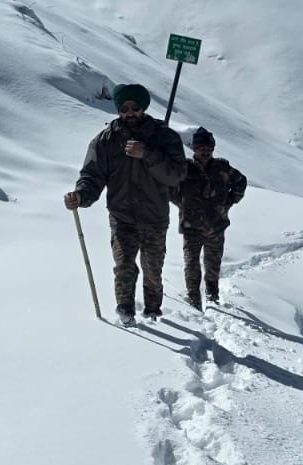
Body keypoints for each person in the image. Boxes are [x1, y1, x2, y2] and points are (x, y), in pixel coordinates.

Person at [64, 84, 185, 323]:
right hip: (122, 216)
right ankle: (126, 313)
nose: (130, 113)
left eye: (135, 107)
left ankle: (153, 313)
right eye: (124, 108)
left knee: (152, 270)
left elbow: (177, 175)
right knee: (124, 267)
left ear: (143, 107)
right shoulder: (106, 140)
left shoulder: (164, 137)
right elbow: (92, 175)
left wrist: (147, 154)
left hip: (154, 217)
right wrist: (81, 195)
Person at [176, 127, 247, 310]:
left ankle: (212, 296)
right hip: (191, 227)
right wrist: (182, 204)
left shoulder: (222, 167)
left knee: (213, 264)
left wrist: (229, 201)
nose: (204, 151)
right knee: (191, 264)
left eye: (208, 148)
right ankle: (193, 298)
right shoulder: (185, 168)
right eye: (200, 147)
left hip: (216, 226)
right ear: (194, 148)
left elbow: (241, 181)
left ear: (213, 148)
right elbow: (170, 188)